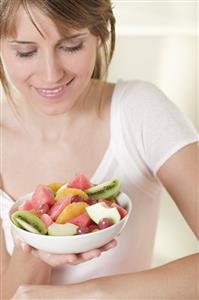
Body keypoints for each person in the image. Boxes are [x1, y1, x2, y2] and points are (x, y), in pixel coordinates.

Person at [0, 1, 198, 299]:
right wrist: (36, 251)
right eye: (25, 52)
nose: (51, 74)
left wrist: (92, 294)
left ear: (100, 33)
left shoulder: (139, 111)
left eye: (71, 46)